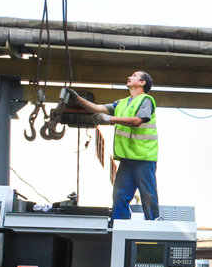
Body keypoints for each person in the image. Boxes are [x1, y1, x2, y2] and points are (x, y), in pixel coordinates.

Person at [66, 71, 159, 220]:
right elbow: (97, 109)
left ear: (142, 83)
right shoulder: (122, 103)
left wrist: (109, 119)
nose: (129, 77)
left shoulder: (146, 100)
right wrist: (76, 98)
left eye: (134, 76)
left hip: (143, 157)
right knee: (119, 196)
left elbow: (137, 121)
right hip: (127, 159)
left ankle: (154, 227)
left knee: (148, 196)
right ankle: (119, 226)